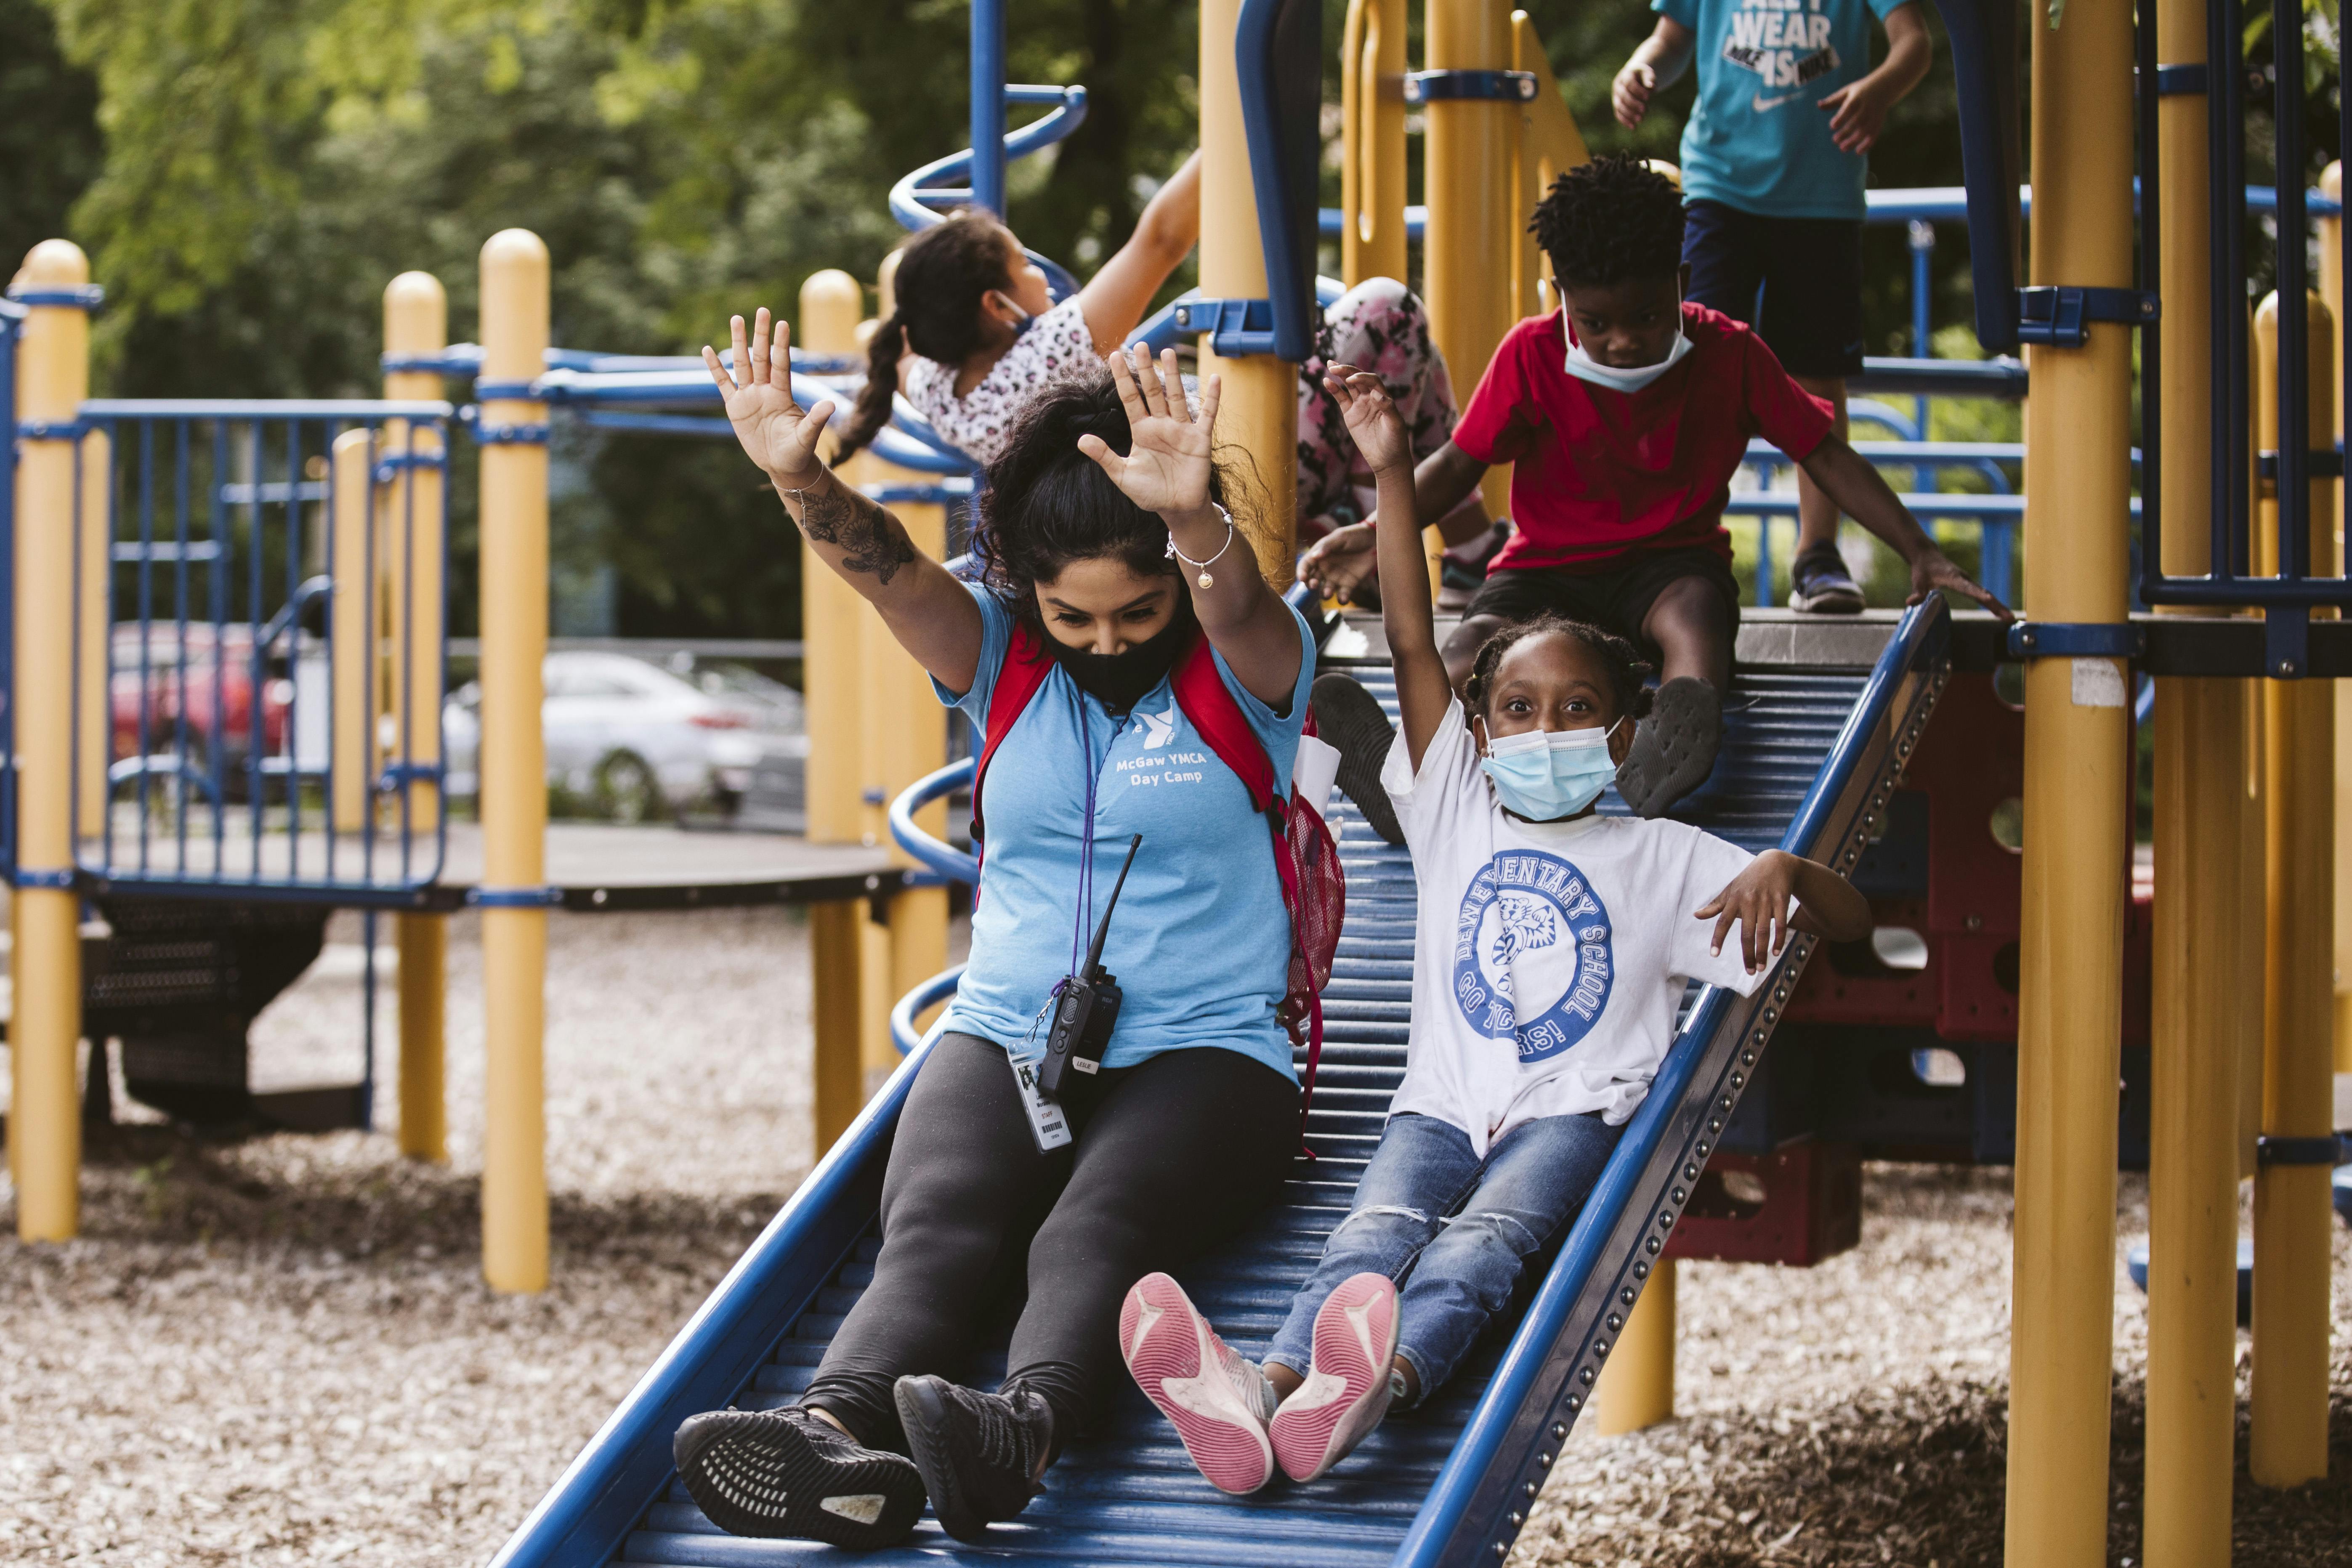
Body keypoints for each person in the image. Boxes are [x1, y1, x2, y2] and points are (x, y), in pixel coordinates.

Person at [1119, 364, 1874, 1494]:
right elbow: (1416, 641)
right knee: (1369, 1231)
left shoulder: (1664, 856)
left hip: (1571, 1110)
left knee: (1482, 1246)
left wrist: (1789, 867)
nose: (1545, 728)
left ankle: (1379, 1381)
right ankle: (1261, 1386)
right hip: (1440, 1096)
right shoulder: (1451, 802)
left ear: (1624, 738)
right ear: (1477, 727)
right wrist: (1386, 471)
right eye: (1518, 710)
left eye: (1577, 711)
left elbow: (1849, 924)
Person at [671, 315, 1315, 1549]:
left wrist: (1193, 522)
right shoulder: (1002, 659)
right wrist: (797, 478)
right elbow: (890, 571)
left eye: (1136, 611)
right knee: (939, 1218)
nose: (1109, 640)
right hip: (1010, 1022)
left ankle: (1019, 1431)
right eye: (1075, 618)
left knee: (1089, 1223)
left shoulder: (1245, 670)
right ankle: (834, 1437)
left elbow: (1235, 603)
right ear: (1026, 591)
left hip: (1213, 1053)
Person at [1300, 155, 2004, 839]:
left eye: (1644, 315)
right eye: (1597, 323)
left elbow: (1821, 452)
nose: (1623, 342)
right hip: (1544, 570)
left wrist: (1918, 549)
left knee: (1694, 617)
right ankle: (1403, 777)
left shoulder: (1730, 354)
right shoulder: (1532, 355)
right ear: (1561, 297)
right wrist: (1372, 531)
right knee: (1474, 649)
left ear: (1682, 282)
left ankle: (1674, 731)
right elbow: (1458, 465)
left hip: (1668, 567)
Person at [831, 152, 1479, 549]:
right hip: (1251, 469)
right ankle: (1393, 535)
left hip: (1208, 488)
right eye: (1021, 265)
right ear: (996, 308)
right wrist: (1235, 119)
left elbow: (906, 351)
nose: (1038, 275)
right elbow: (1162, 239)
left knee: (1365, 341)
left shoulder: (943, 391)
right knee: (1384, 309)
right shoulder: (1045, 360)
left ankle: (1418, 532)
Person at [1614, 0, 1934, 614]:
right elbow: (1672, 37)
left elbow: (1911, 41)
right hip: (1719, 183)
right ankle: (1669, 537)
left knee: (1814, 370)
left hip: (1820, 195)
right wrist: (1640, 65)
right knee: (1689, 360)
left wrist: (1877, 90)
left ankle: (1817, 555)